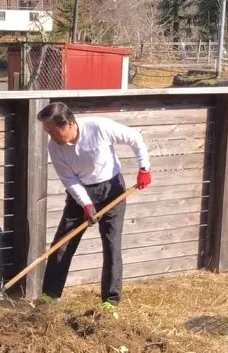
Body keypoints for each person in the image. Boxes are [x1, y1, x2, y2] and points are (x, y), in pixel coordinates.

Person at [37, 102, 152, 314]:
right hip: (80, 193)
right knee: (62, 243)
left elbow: (134, 137)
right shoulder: (54, 147)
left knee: (111, 245)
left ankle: (110, 301)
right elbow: (68, 179)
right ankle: (49, 298)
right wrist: (86, 204)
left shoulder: (98, 127)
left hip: (112, 190)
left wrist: (144, 168)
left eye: (53, 131)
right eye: (47, 132)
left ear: (69, 123)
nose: (51, 136)